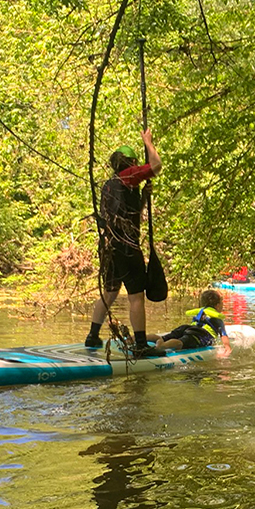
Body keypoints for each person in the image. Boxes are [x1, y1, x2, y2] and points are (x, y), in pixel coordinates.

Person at [85, 128, 162, 350]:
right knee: (136, 296)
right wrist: (148, 142)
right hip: (127, 248)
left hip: (109, 248)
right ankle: (140, 344)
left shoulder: (109, 186)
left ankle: (92, 336)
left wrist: (144, 197)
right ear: (130, 163)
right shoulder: (128, 175)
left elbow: (130, 214)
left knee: (109, 292)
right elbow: (156, 165)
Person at [140, 289, 232, 357]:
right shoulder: (217, 319)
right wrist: (227, 347)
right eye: (221, 303)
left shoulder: (199, 312)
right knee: (181, 343)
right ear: (217, 305)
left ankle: (134, 339)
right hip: (200, 334)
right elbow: (223, 335)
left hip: (187, 327)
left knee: (164, 337)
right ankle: (161, 346)